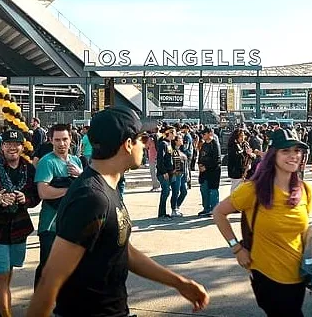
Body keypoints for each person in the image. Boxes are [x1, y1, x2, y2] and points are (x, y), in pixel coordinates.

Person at [27, 107, 210, 317]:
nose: (146, 144)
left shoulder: (106, 187)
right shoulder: (90, 198)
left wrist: (179, 283)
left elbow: (123, 248)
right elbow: (50, 280)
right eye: (142, 138)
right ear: (128, 144)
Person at [212, 128, 312, 317]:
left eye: (297, 151)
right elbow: (218, 213)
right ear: (273, 154)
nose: (293, 156)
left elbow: (302, 229)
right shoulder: (252, 189)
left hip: (297, 275)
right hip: (266, 275)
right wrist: (237, 248)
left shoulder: (305, 190)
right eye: (286, 151)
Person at [0, 130, 40, 317]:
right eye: (8, 144)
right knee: (1, 274)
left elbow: (36, 196)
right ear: (1, 146)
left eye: (16, 143)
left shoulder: (28, 169)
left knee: (9, 270)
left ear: (22, 147)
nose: (12, 147)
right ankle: (6, 314)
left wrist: (25, 198)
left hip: (19, 228)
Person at [34, 123, 83, 287]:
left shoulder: (76, 161)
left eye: (64, 139)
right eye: (57, 140)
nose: (61, 144)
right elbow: (43, 192)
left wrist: (81, 175)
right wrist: (70, 189)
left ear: (71, 140)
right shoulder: (47, 162)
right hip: (50, 226)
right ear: (50, 141)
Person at [197, 127, 222, 217]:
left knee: (213, 190)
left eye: (204, 134)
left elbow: (217, 159)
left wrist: (206, 167)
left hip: (213, 171)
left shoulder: (215, 144)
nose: (202, 136)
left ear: (209, 133)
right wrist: (200, 165)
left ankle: (214, 209)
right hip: (204, 173)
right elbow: (200, 156)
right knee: (204, 190)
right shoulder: (204, 145)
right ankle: (206, 208)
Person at [156, 126, 177, 220]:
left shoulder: (169, 143)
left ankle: (163, 212)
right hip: (163, 173)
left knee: (167, 192)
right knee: (165, 192)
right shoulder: (163, 144)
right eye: (174, 133)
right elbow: (160, 159)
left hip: (169, 172)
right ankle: (161, 214)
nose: (175, 135)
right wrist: (164, 172)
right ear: (169, 133)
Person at [226, 129, 252, 193]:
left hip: (245, 169)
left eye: (243, 135)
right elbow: (234, 157)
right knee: (235, 189)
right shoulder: (232, 145)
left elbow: (251, 155)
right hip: (236, 171)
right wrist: (244, 152)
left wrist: (250, 154)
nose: (243, 137)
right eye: (241, 136)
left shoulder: (245, 144)